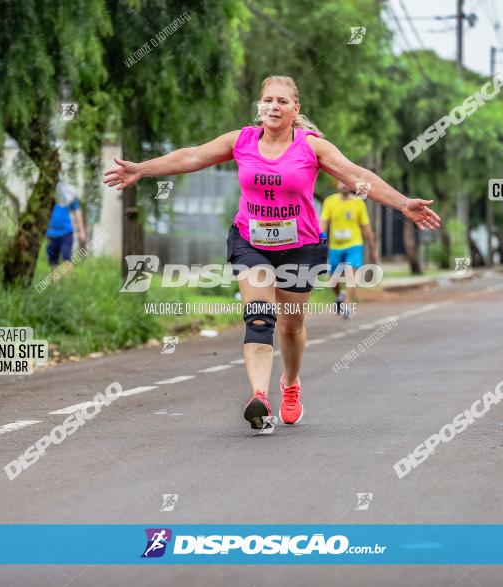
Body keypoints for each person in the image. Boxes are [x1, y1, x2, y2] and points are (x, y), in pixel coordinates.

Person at [103, 75, 440, 430]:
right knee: (260, 316)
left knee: (292, 327)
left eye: (282, 101)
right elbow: (191, 156)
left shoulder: (312, 147)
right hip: (251, 243)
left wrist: (404, 204)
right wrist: (142, 169)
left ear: (295, 110)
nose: (274, 106)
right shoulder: (242, 141)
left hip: (302, 247)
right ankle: (260, 398)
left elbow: (359, 177)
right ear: (259, 107)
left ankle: (290, 385)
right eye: (268, 100)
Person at [320, 181, 379, 319]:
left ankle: (347, 305)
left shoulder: (358, 203)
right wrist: (320, 242)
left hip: (354, 244)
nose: (344, 185)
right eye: (341, 182)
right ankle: (341, 295)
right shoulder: (330, 201)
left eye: (346, 182)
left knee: (350, 273)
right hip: (335, 246)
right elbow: (323, 223)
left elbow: (366, 227)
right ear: (336, 185)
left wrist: (372, 248)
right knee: (333, 279)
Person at [45, 179, 86, 270]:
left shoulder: (69, 192)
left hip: (66, 232)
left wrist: (82, 231)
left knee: (67, 259)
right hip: (51, 233)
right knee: (53, 262)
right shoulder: (46, 191)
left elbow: (77, 212)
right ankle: (55, 283)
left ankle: (67, 283)